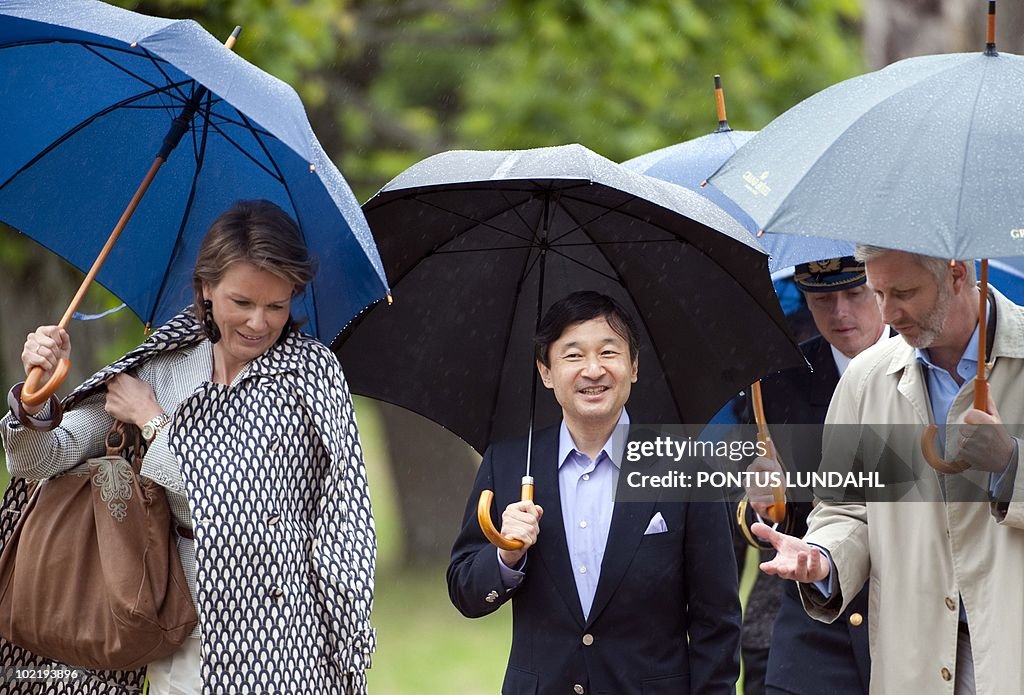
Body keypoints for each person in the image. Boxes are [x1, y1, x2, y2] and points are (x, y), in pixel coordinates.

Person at [0, 200, 376, 694]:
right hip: (178, 613)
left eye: (277, 306)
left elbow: (235, 502)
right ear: (205, 289)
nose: (259, 323)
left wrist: (153, 421)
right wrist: (39, 396)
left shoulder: (308, 375)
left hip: (285, 632)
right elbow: (39, 460)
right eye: (242, 302)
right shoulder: (163, 364)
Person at [754, 247, 1024, 694]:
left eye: (904, 293)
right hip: (915, 660)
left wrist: (1010, 461)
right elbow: (846, 508)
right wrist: (823, 557)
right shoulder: (865, 377)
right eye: (878, 292)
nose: (888, 313)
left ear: (957, 273)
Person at [447, 290, 741, 695]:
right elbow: (466, 592)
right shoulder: (511, 464)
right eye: (572, 355)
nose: (592, 370)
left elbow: (718, 622)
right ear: (546, 371)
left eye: (608, 352)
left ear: (633, 366)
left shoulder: (686, 467)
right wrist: (505, 555)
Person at [735, 257, 886, 695]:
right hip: (817, 614)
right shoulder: (776, 384)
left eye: (854, 294)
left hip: (908, 611)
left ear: (880, 288)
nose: (839, 312)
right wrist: (768, 504)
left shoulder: (929, 364)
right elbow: (752, 516)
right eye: (822, 298)